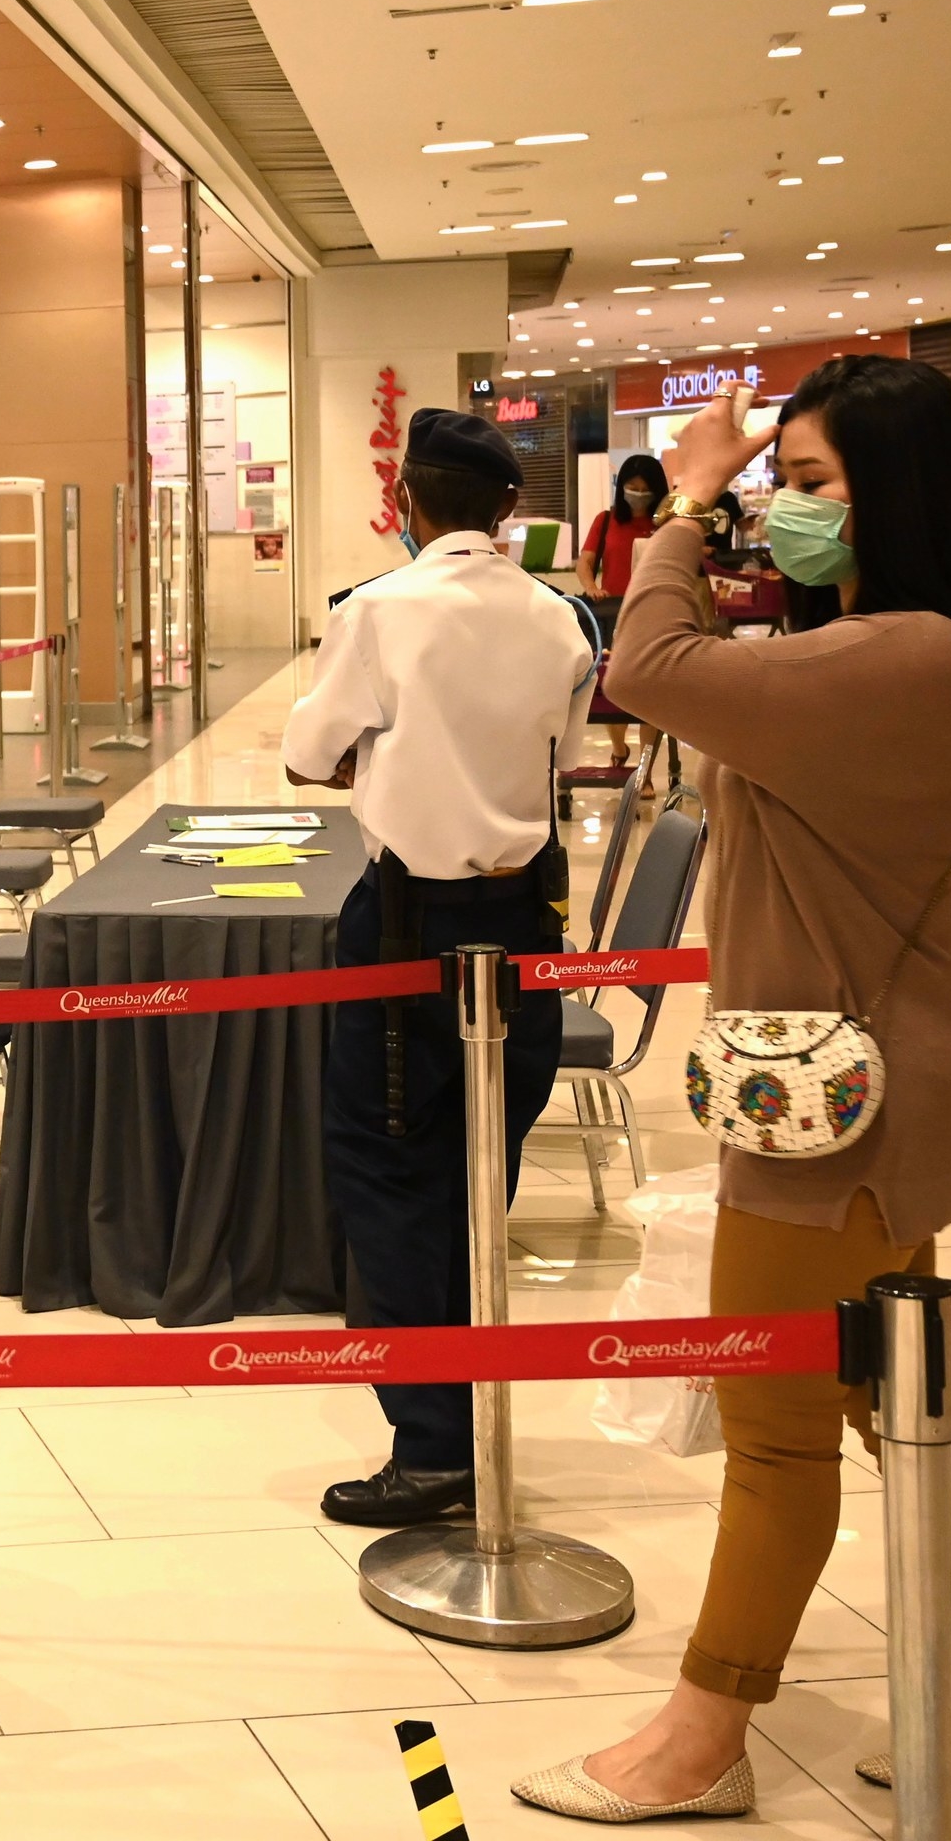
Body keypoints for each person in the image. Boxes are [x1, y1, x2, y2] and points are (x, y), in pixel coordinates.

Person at [512, 360, 951, 1821]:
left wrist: (688, 499)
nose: (790, 504)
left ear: (896, 494)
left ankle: (702, 1736)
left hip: (844, 1099)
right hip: (869, 1073)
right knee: (893, 1401)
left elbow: (641, 668)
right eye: (789, 480)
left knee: (774, 1425)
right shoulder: (912, 651)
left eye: (817, 482)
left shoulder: (891, 658)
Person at [281, 409, 595, 1528]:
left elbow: (304, 753)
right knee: (484, 1159)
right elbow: (566, 744)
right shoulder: (565, 619)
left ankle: (431, 1443)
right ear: (508, 509)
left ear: (406, 499)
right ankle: (469, 1415)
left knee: (389, 1171)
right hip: (529, 919)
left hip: (410, 923)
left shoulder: (377, 611)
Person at [576, 454, 666, 766]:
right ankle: (619, 749)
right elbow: (585, 562)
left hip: (654, 617)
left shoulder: (667, 524)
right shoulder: (606, 521)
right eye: (632, 488)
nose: (638, 495)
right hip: (611, 615)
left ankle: (646, 771)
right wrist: (591, 586)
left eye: (645, 489)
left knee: (651, 696)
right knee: (611, 688)